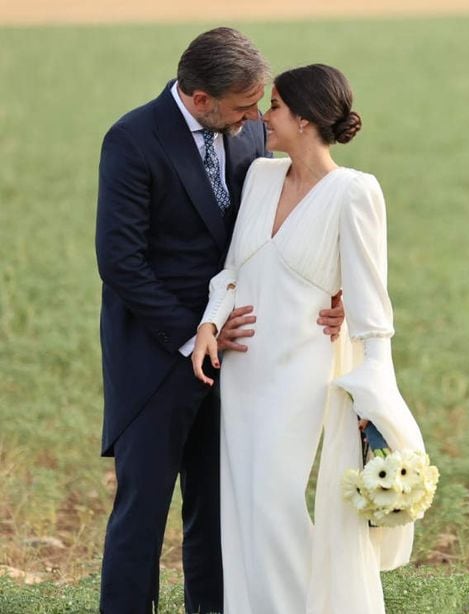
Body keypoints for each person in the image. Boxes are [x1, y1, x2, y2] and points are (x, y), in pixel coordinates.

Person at [94, 29, 345, 613]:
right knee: (143, 515)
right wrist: (194, 333)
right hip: (153, 359)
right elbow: (120, 262)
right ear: (199, 98)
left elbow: (278, 228)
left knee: (218, 513)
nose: (256, 118)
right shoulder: (132, 139)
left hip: (240, 359)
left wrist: (331, 294)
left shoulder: (250, 134)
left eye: (261, 105)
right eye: (242, 107)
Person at [190, 63, 427, 614]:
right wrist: (208, 322)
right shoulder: (261, 177)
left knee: (274, 503)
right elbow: (232, 271)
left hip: (301, 372)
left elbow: (370, 302)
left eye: (273, 108)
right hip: (242, 369)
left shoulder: (355, 192)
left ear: (304, 118)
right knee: (242, 507)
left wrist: (376, 382)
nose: (264, 118)